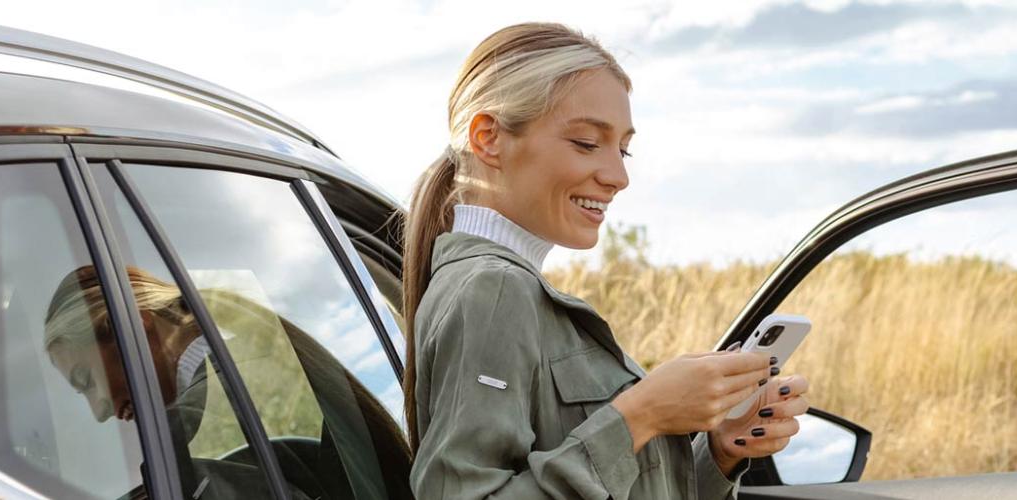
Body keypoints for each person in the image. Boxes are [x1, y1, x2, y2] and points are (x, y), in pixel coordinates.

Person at [404, 22, 812, 499]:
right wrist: (643, 414)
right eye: (586, 143)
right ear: (488, 137)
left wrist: (719, 452)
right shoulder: (492, 290)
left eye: (623, 149)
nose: (619, 176)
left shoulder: (511, 290)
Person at [43, 265, 413, 499]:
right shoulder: (270, 368)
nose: (99, 411)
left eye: (86, 380)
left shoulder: (200, 435)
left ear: (130, 329)